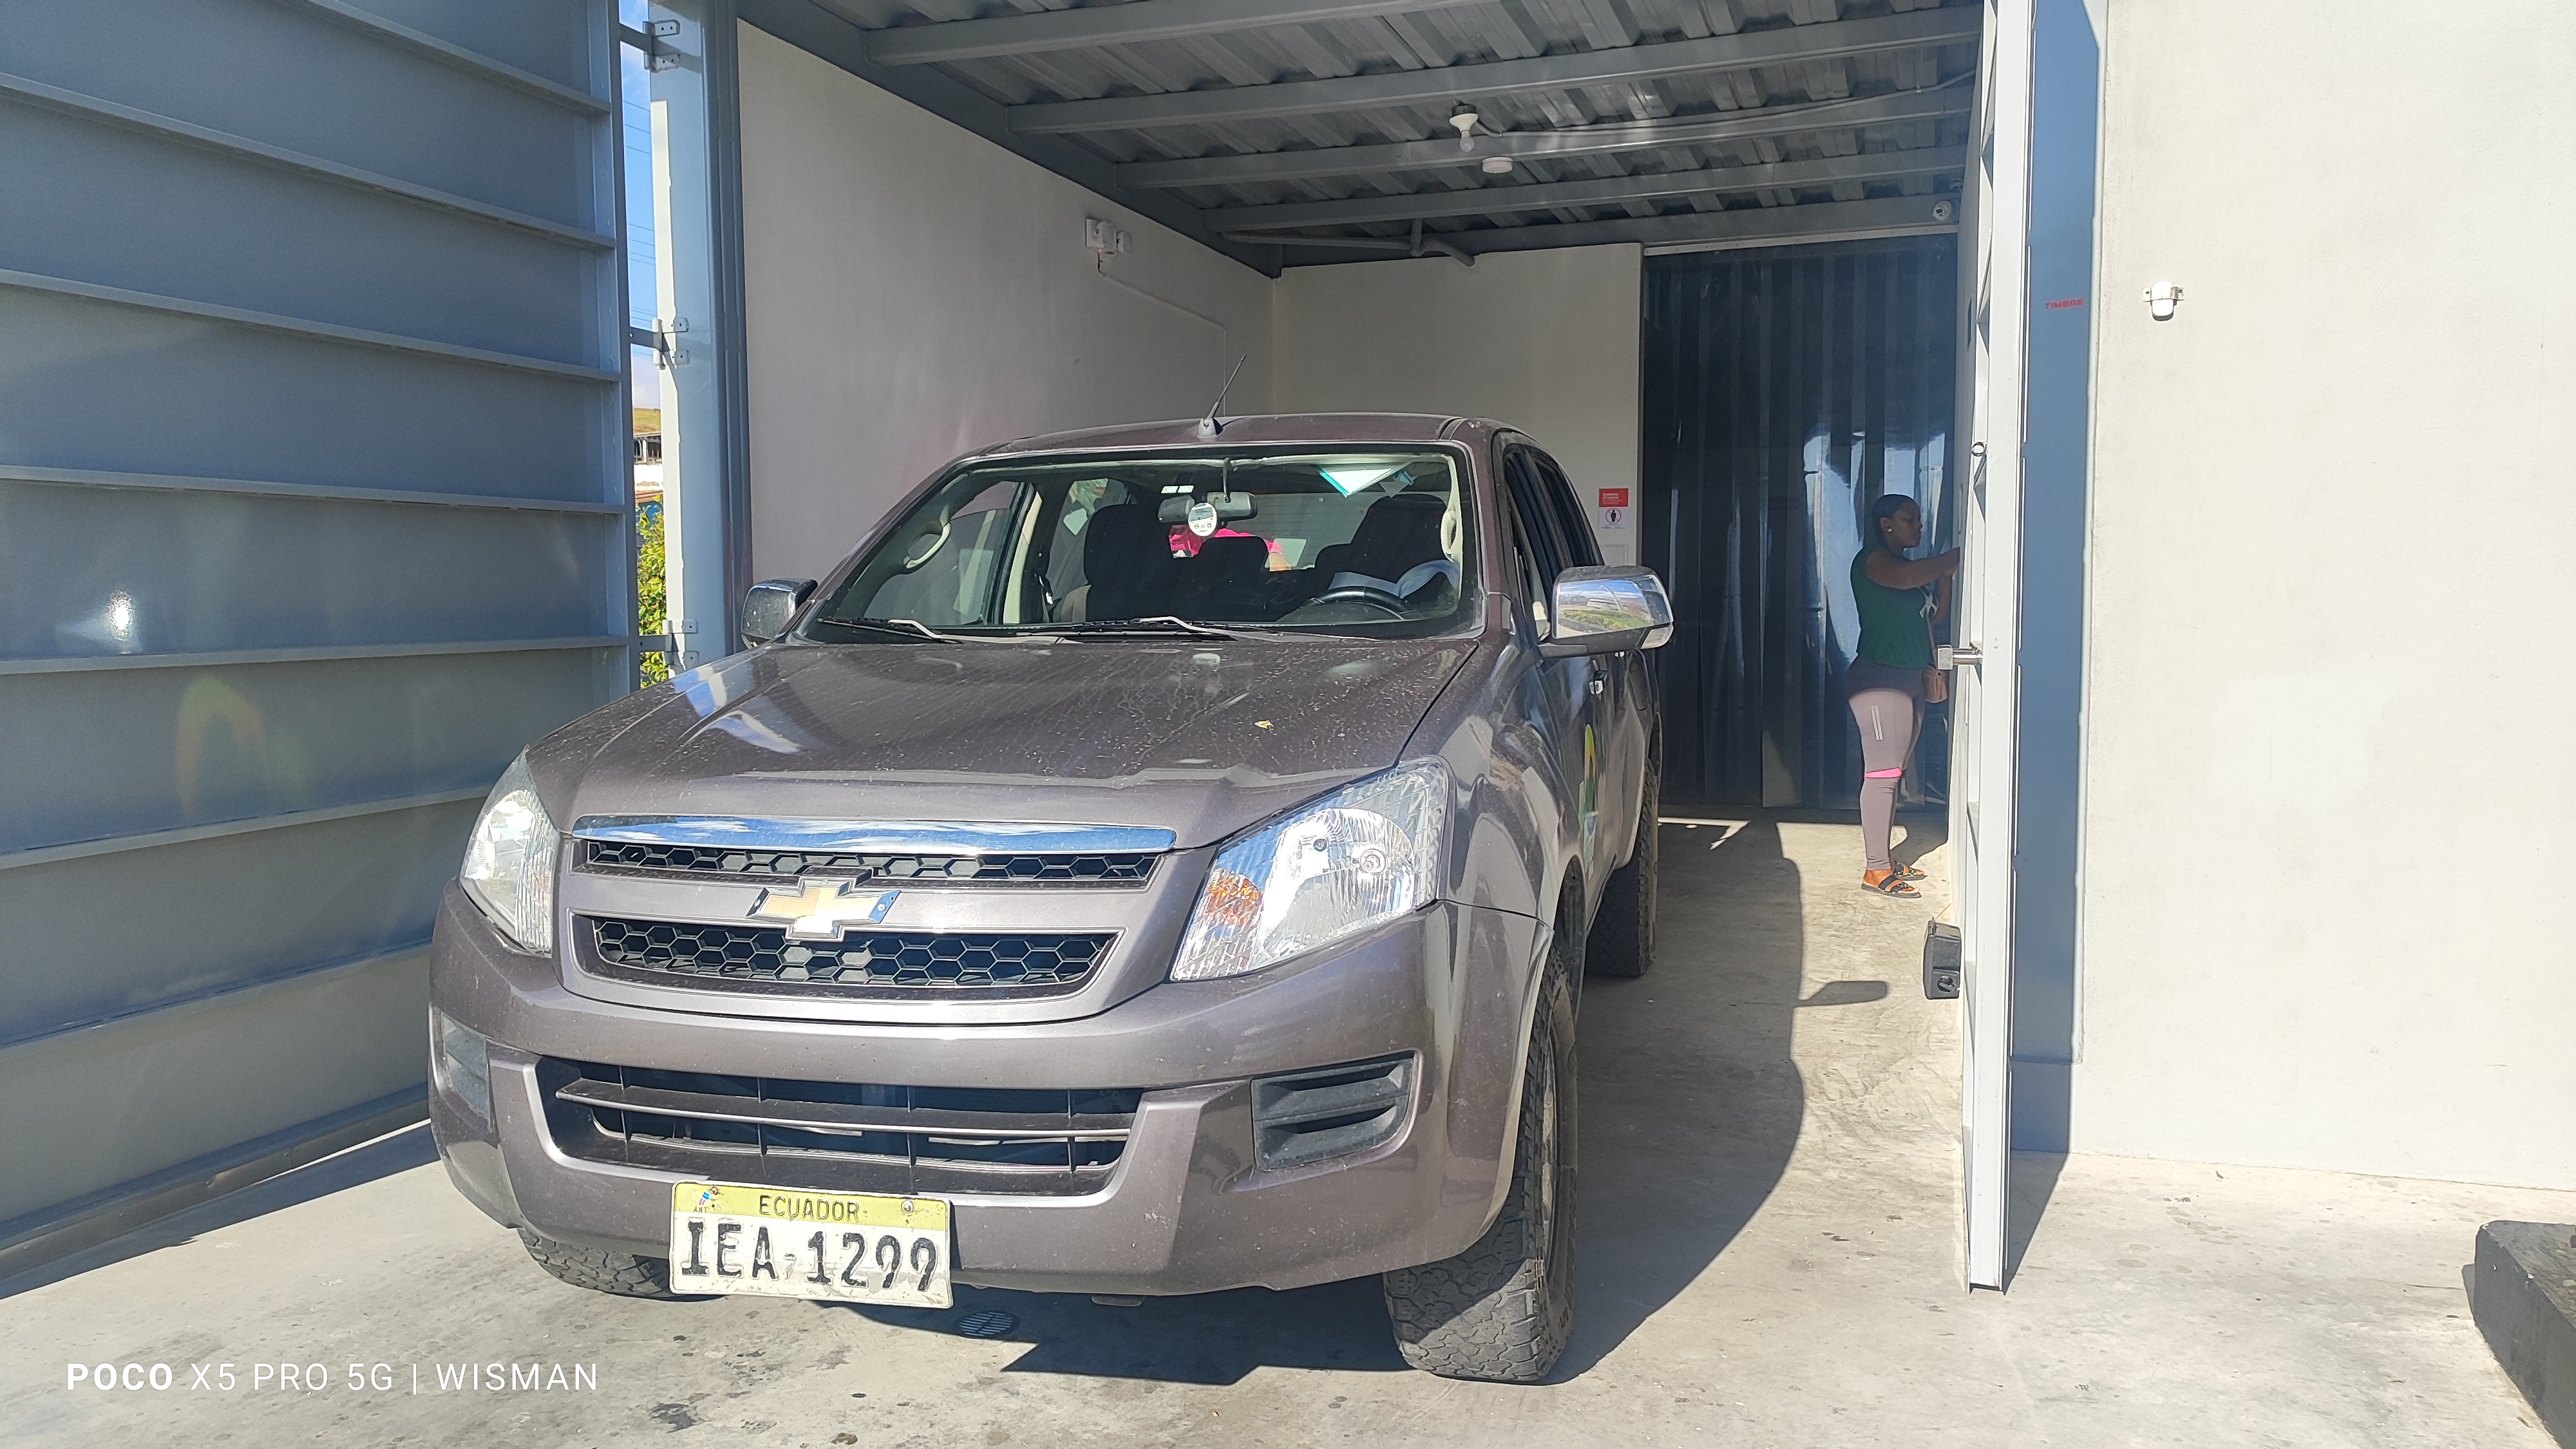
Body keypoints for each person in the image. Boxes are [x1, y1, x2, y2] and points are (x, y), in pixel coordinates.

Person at [1848, 494, 1959, 898]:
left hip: (1910, 679)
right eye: (1910, 519)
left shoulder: (1908, 570)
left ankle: (1884, 858)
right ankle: (1876, 869)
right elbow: (1906, 580)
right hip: (1879, 679)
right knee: (1882, 774)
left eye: (1919, 518)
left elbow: (1935, 616)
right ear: (1886, 524)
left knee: (1892, 774)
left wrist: (1946, 576)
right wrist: (1953, 558)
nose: (1919, 526)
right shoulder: (1873, 562)